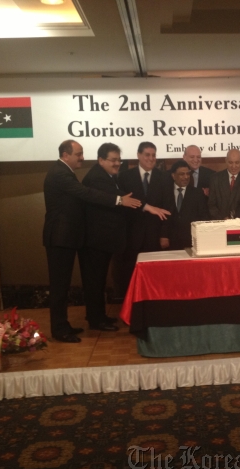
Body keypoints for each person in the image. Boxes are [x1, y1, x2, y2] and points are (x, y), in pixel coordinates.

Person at [43, 139, 126, 343]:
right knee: (59, 287)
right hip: (60, 237)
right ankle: (60, 330)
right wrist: (118, 199)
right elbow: (84, 193)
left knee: (63, 286)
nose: (82, 157)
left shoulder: (64, 172)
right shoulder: (60, 173)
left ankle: (63, 325)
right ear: (65, 155)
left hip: (68, 237)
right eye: (78, 154)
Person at [80, 143, 141, 332]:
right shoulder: (97, 178)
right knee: (95, 281)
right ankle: (96, 321)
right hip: (95, 240)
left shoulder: (109, 176)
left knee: (98, 281)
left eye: (119, 160)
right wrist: (130, 201)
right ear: (101, 160)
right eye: (113, 160)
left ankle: (98, 316)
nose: (117, 164)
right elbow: (118, 198)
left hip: (103, 240)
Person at [117, 142, 170, 296]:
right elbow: (124, 205)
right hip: (131, 236)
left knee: (154, 278)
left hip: (155, 236)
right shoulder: (125, 176)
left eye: (153, 155)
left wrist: (164, 234)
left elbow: (167, 208)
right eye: (147, 154)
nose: (151, 158)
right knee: (130, 276)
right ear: (138, 155)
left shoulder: (164, 177)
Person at [160, 160, 210, 250]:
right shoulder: (165, 192)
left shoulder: (197, 193)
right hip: (170, 241)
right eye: (182, 174)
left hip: (191, 241)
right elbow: (162, 216)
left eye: (188, 174)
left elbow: (204, 217)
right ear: (173, 176)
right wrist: (164, 236)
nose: (186, 177)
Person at [208, 149, 240, 220]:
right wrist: (223, 219)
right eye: (230, 162)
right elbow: (211, 205)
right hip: (220, 224)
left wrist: (234, 219)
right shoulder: (215, 179)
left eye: (237, 162)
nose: (233, 166)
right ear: (226, 161)